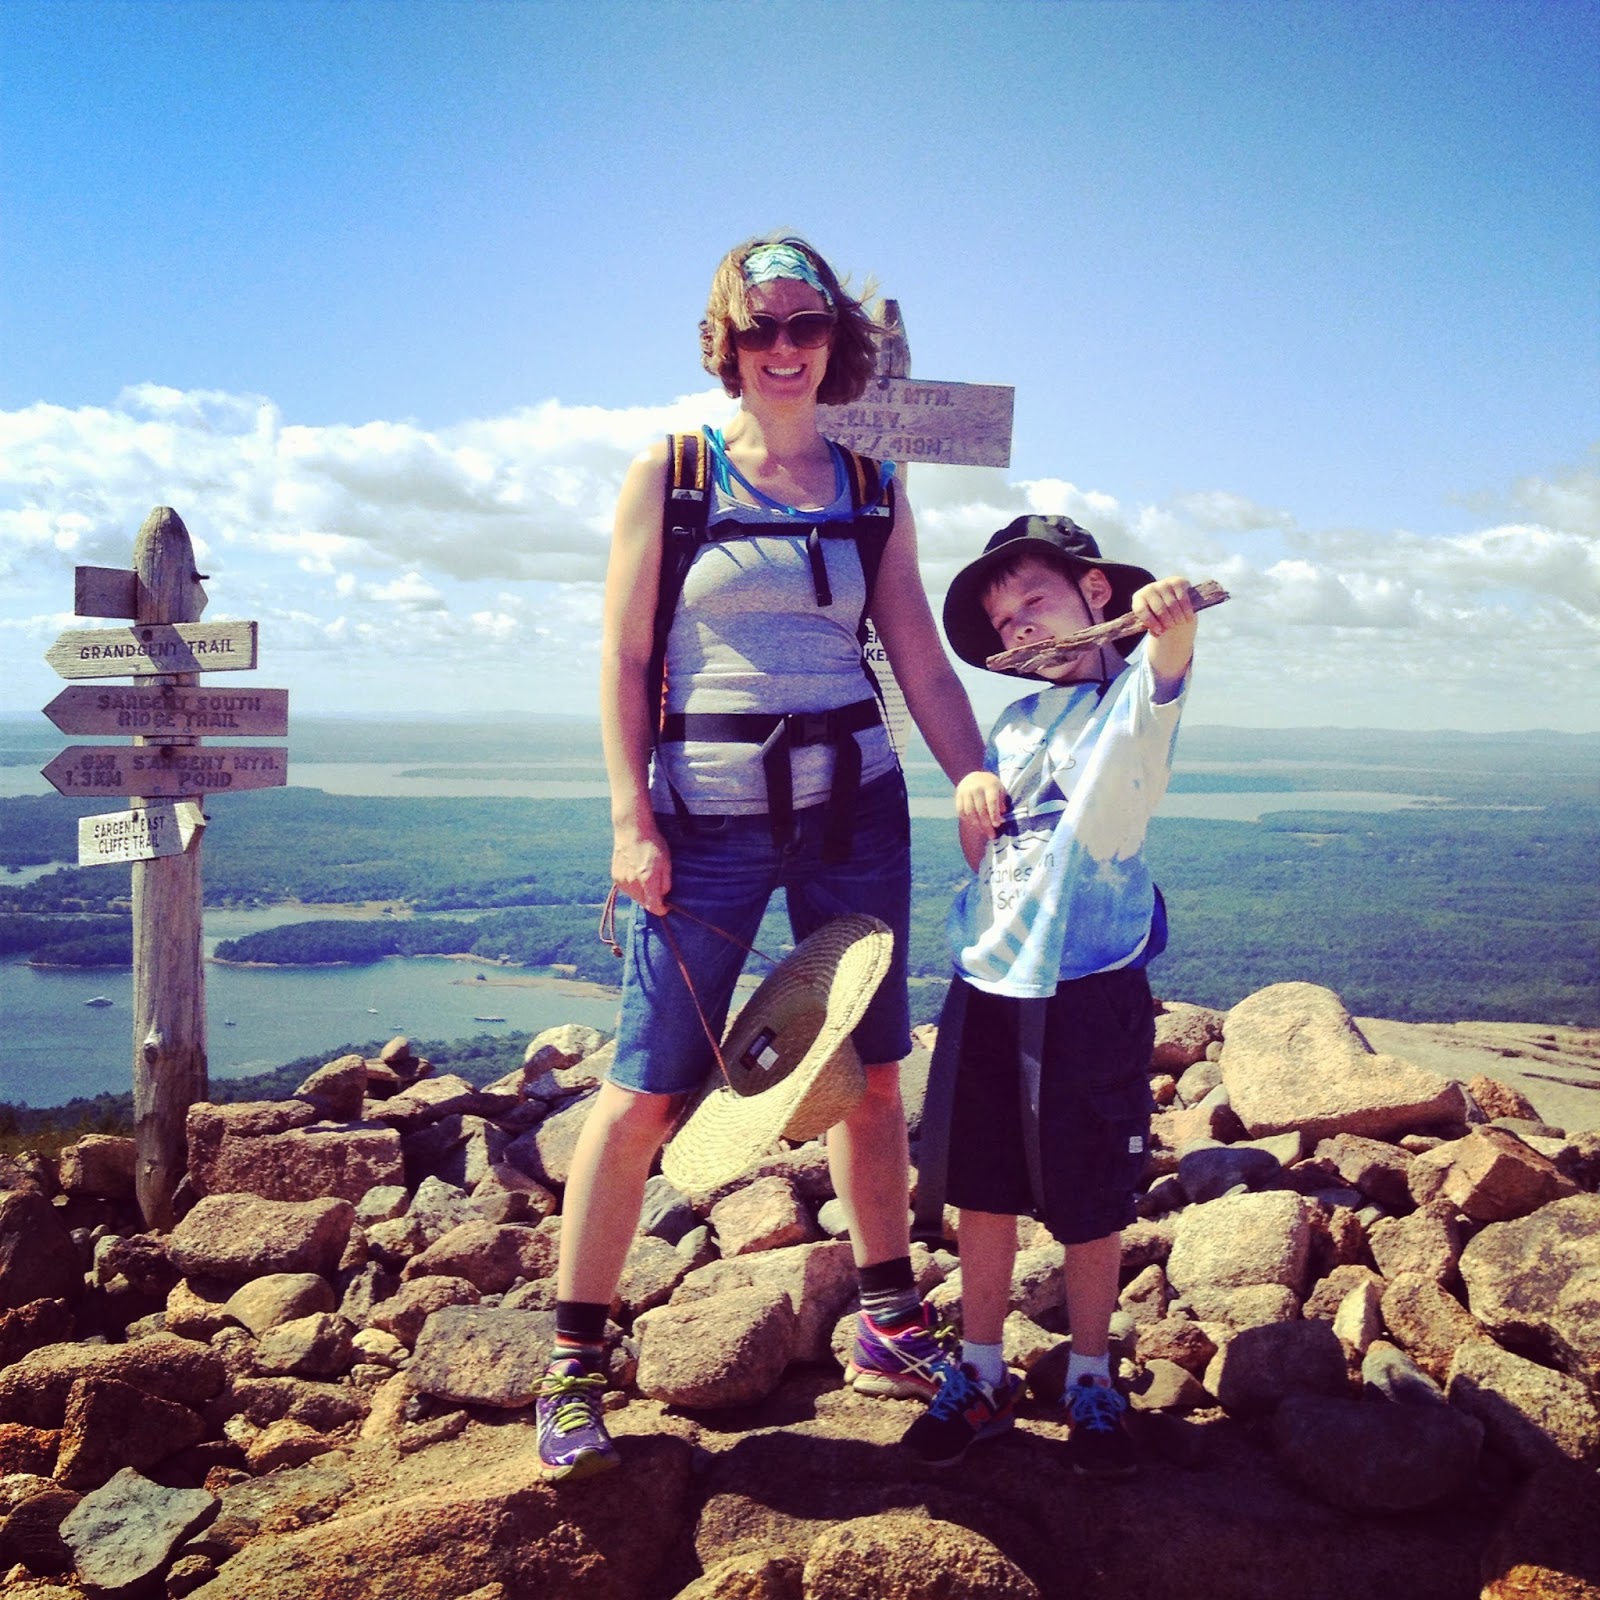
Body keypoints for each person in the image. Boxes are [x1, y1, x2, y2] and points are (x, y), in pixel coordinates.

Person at [535, 234, 1005, 1481]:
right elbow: (623, 655)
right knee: (644, 1089)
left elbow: (914, 649)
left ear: (833, 340)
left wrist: (968, 771)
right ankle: (573, 1363)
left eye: (805, 326)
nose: (783, 348)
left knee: (872, 1074)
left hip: (855, 811)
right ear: (727, 344)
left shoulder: (871, 486)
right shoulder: (675, 473)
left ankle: (889, 1319)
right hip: (705, 821)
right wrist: (629, 819)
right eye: (759, 329)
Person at [899, 514, 1199, 1477]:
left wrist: (1173, 623)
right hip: (989, 978)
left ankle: (1092, 1378)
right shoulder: (1015, 724)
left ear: (1096, 593)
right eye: (1006, 619)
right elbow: (991, 861)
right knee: (983, 1188)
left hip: (1090, 989)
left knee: (1089, 1191)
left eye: (1037, 599)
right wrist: (971, 800)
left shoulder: (1130, 703)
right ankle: (981, 1371)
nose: (1023, 625)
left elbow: (1167, 672)